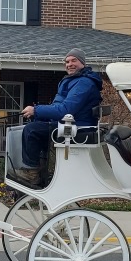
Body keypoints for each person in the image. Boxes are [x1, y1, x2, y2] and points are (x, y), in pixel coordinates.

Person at [17, 48, 103, 185]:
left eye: (74, 60)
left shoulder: (84, 83)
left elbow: (65, 110)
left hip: (77, 128)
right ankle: (42, 169)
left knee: (32, 130)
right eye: (67, 62)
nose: (69, 64)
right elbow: (61, 108)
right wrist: (38, 114)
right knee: (37, 125)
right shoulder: (74, 80)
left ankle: (31, 172)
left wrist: (36, 110)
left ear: (83, 63)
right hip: (70, 124)